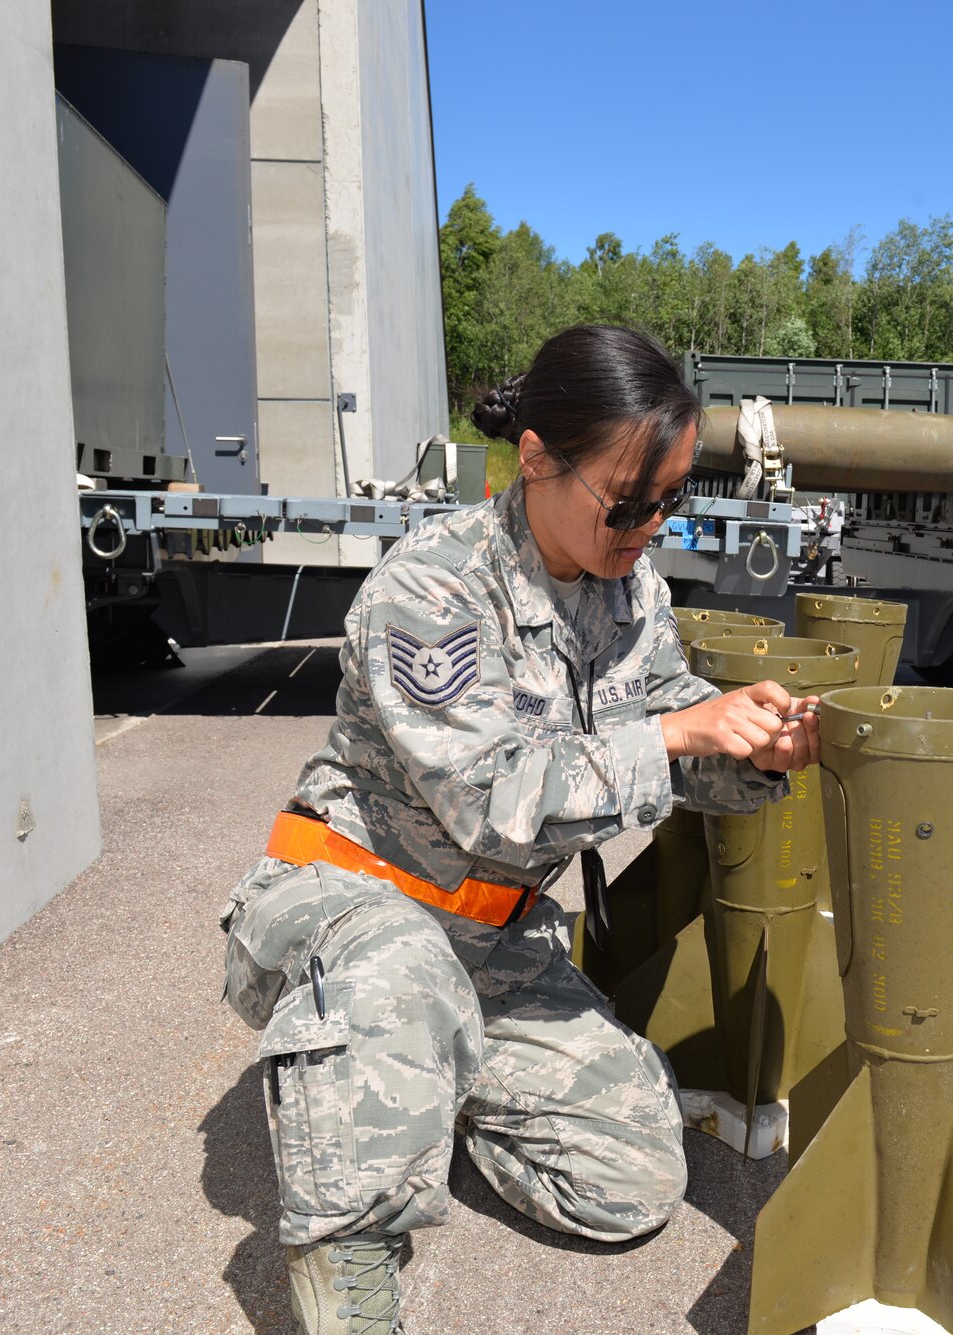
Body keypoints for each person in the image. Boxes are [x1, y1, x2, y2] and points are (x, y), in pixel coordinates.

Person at [218, 325, 820, 1334]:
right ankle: (348, 1260)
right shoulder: (433, 589)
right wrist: (674, 731)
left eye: (670, 502)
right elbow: (491, 801)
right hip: (351, 905)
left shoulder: (633, 596)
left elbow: (674, 726)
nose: (647, 527)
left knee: (630, 1183)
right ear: (536, 457)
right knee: (396, 971)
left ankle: (420, 1077)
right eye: (628, 502)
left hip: (489, 941)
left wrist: (750, 750)